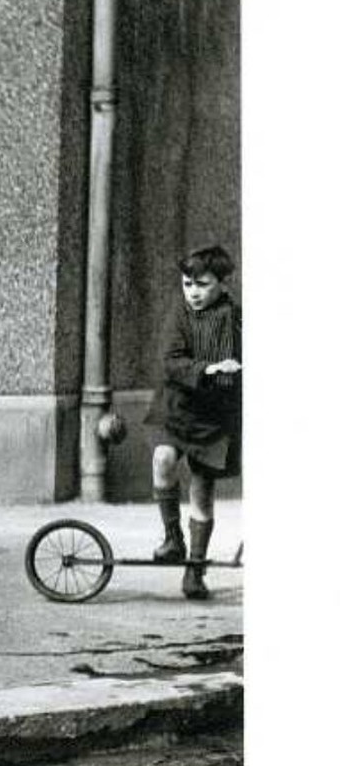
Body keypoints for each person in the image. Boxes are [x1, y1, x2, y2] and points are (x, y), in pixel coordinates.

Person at [143, 243, 242, 600]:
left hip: (214, 418)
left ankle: (195, 570)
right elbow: (171, 361)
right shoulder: (179, 315)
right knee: (163, 459)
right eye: (188, 284)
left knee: (202, 491)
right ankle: (173, 539)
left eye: (202, 284)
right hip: (178, 408)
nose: (193, 293)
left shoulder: (234, 316)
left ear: (221, 283)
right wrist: (209, 369)